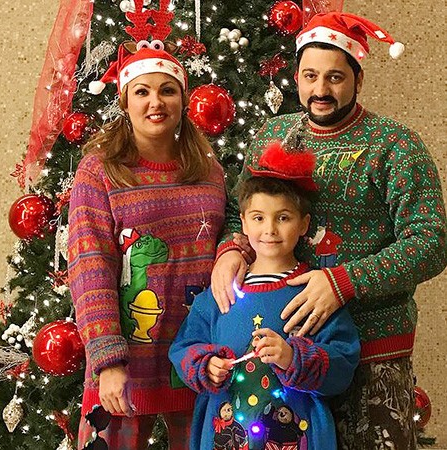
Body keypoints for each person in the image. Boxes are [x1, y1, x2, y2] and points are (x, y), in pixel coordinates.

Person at [210, 11, 447, 450]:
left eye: (335, 77)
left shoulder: (395, 146)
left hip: (372, 352)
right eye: (310, 76)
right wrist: (230, 250)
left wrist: (343, 282)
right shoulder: (273, 134)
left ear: (358, 79)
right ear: (297, 78)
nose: (320, 90)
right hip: (280, 352)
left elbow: (431, 242)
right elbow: (235, 210)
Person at [68, 39, 226, 449]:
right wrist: (108, 360)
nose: (156, 102)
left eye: (167, 90)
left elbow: (233, 231)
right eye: (142, 91)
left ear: (183, 100)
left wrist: (234, 250)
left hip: (199, 359)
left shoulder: (209, 170)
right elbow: (89, 266)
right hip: (124, 366)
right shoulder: (100, 171)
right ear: (125, 101)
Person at [169, 142, 360, 450]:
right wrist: (206, 366)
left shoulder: (315, 293)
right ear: (243, 222)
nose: (270, 229)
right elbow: (183, 348)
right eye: (258, 218)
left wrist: (292, 358)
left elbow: (343, 363)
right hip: (225, 436)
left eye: (283, 218)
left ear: (303, 224)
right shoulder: (220, 292)